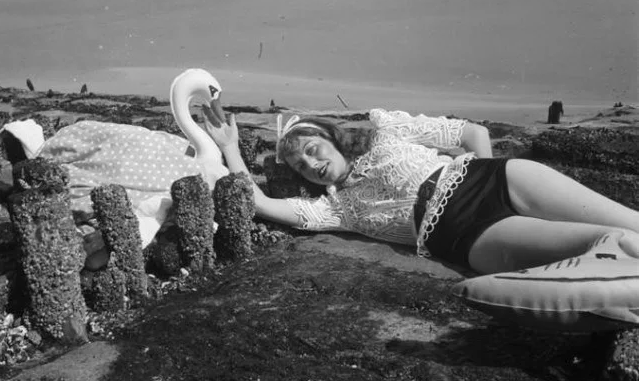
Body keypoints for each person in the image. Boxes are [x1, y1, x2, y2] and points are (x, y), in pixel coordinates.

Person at [201, 106, 639, 276]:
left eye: (313, 150)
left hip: (495, 177)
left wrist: (480, 166)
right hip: (464, 233)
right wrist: (228, 149)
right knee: (606, 245)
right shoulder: (336, 209)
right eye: (300, 166)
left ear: (332, 138)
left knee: (630, 223)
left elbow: (470, 131)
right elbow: (256, 202)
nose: (311, 165)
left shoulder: (387, 132)